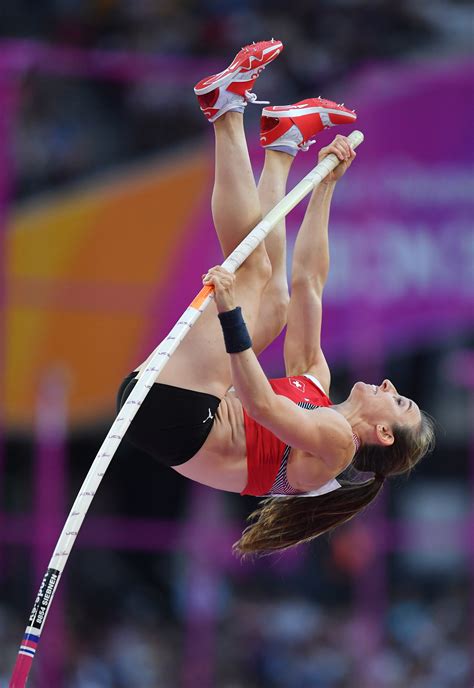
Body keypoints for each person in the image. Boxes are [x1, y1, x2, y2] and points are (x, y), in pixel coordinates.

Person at [117, 40, 435, 556]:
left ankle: (225, 112)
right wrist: (327, 185)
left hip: (174, 419)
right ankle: (283, 147)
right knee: (279, 300)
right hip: (185, 405)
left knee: (251, 274)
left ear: (380, 432)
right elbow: (311, 279)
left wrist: (229, 316)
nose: (389, 382)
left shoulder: (336, 443)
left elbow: (263, 405)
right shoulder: (316, 383)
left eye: (398, 401)